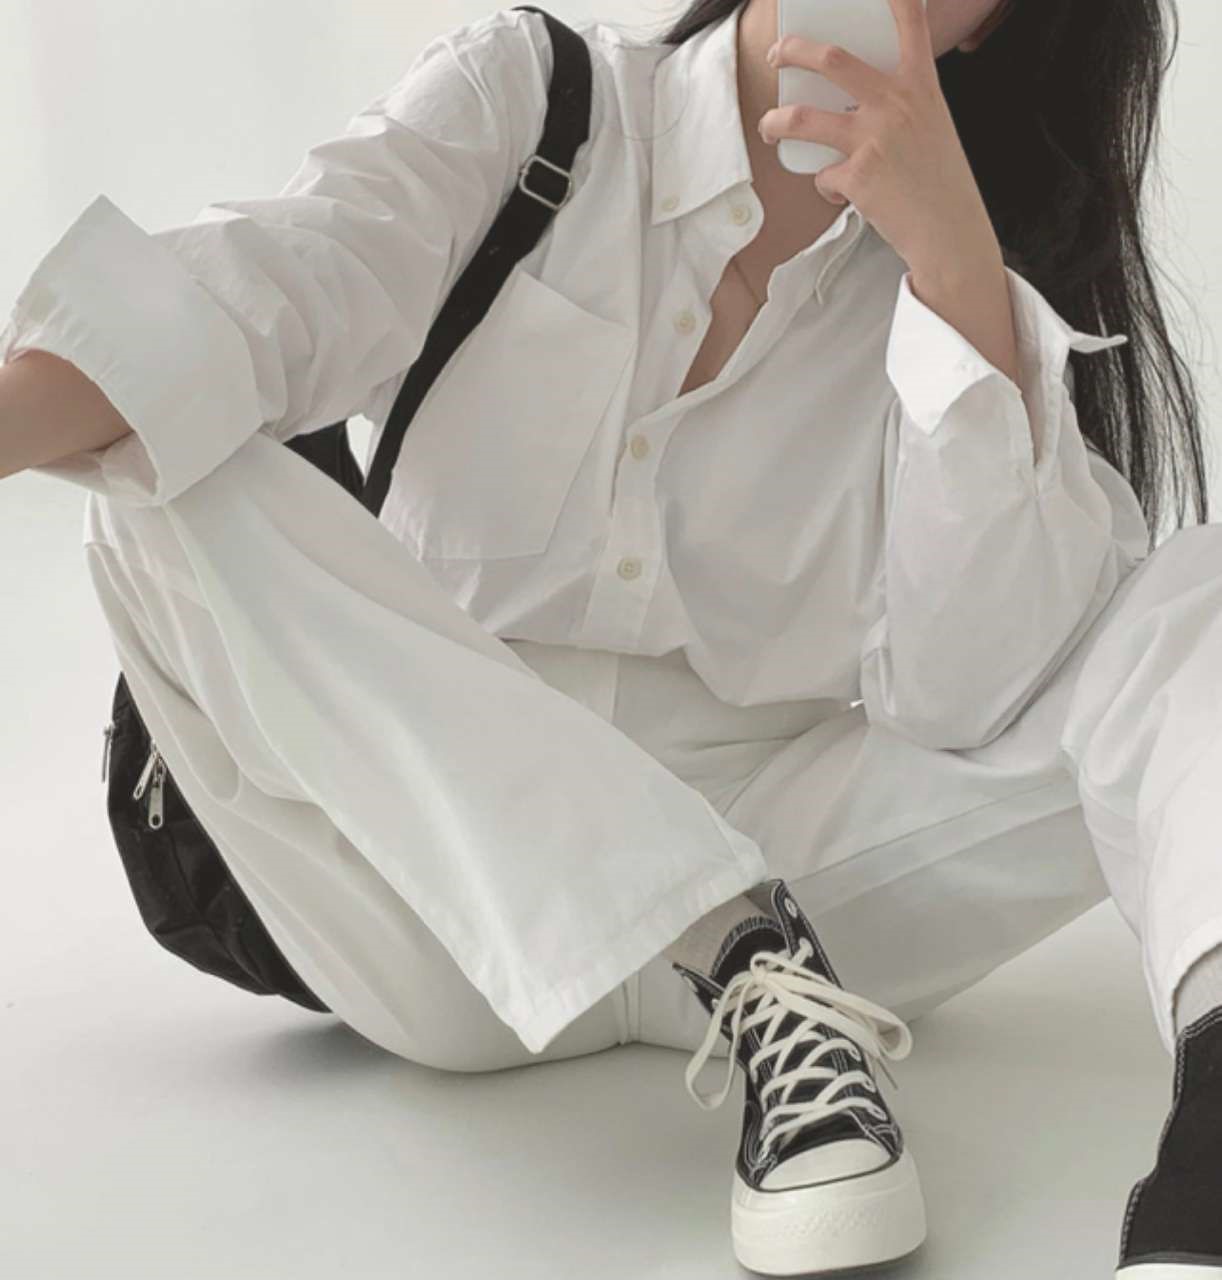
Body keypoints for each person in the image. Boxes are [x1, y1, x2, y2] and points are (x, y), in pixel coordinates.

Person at [1, 0, 1219, 1273]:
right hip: (448, 897)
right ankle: (723, 938)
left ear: (986, 30)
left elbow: (968, 697)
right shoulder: (537, 104)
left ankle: (1208, 1186)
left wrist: (952, 271)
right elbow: (255, 301)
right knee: (163, 456)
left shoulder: (961, 283)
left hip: (810, 887)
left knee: (1202, 593)